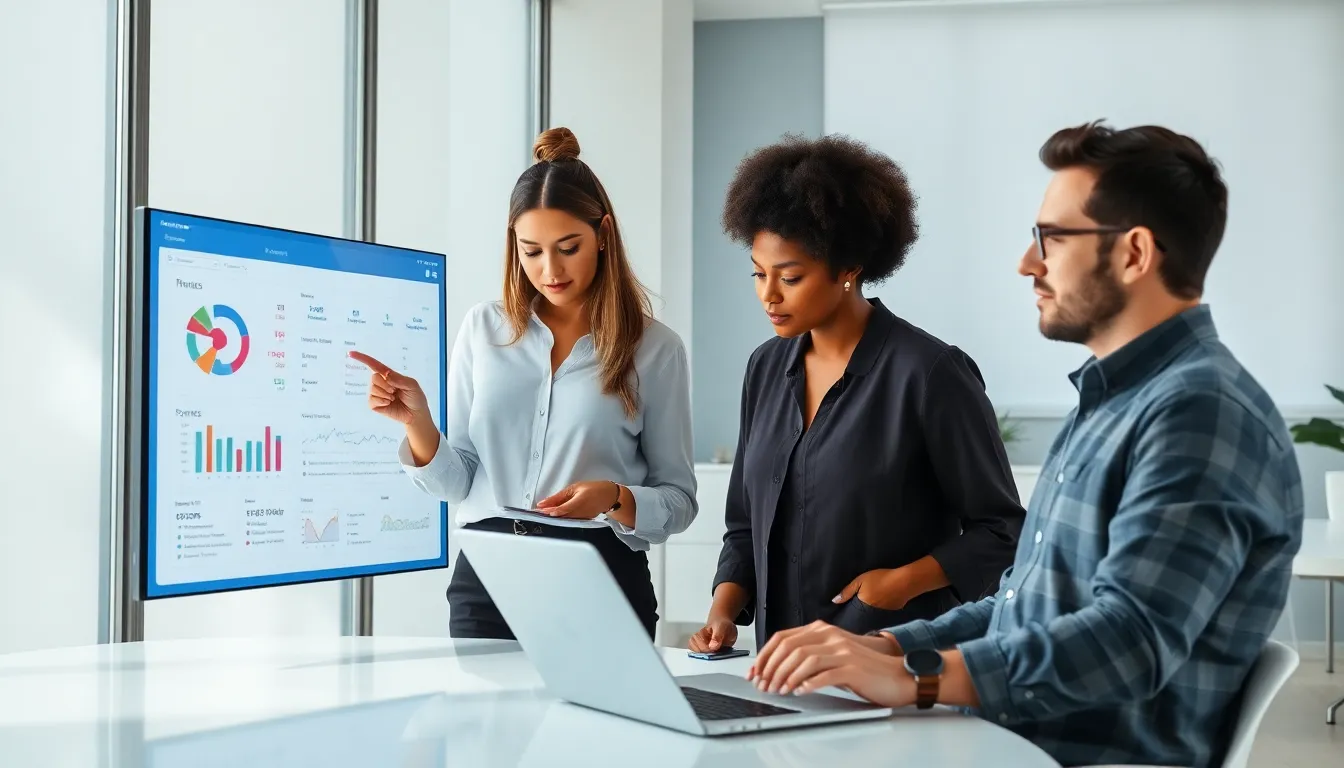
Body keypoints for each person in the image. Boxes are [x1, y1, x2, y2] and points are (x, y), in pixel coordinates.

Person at [745, 121, 1305, 768]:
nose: (1027, 262)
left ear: (1134, 253)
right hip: (1004, 739)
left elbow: (1130, 641)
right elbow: (1025, 606)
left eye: (1051, 238)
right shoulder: (1115, 400)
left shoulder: (1200, 414)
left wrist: (919, 676)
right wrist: (888, 649)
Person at [351, 127, 697, 640]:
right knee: (483, 721)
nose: (549, 269)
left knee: (596, 725)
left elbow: (679, 501)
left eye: (568, 247)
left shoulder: (656, 349)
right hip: (488, 578)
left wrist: (613, 496)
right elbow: (459, 482)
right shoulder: (483, 330)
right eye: (530, 251)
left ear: (602, 234)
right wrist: (419, 424)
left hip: (600, 580)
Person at [689, 134, 1025, 655]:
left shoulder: (931, 374)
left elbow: (1001, 531)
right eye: (758, 274)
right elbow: (743, 526)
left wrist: (900, 583)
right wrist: (724, 609)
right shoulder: (764, 368)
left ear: (848, 269)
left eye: (790, 277)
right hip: (778, 672)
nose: (768, 295)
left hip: (890, 665)